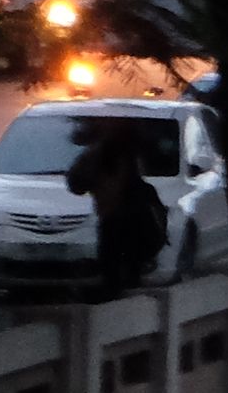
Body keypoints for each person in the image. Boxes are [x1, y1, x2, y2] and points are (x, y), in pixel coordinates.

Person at [66, 121, 166, 293]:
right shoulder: (113, 156)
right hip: (125, 224)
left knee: (116, 278)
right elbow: (77, 183)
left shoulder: (108, 156)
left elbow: (77, 184)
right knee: (121, 278)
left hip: (121, 223)